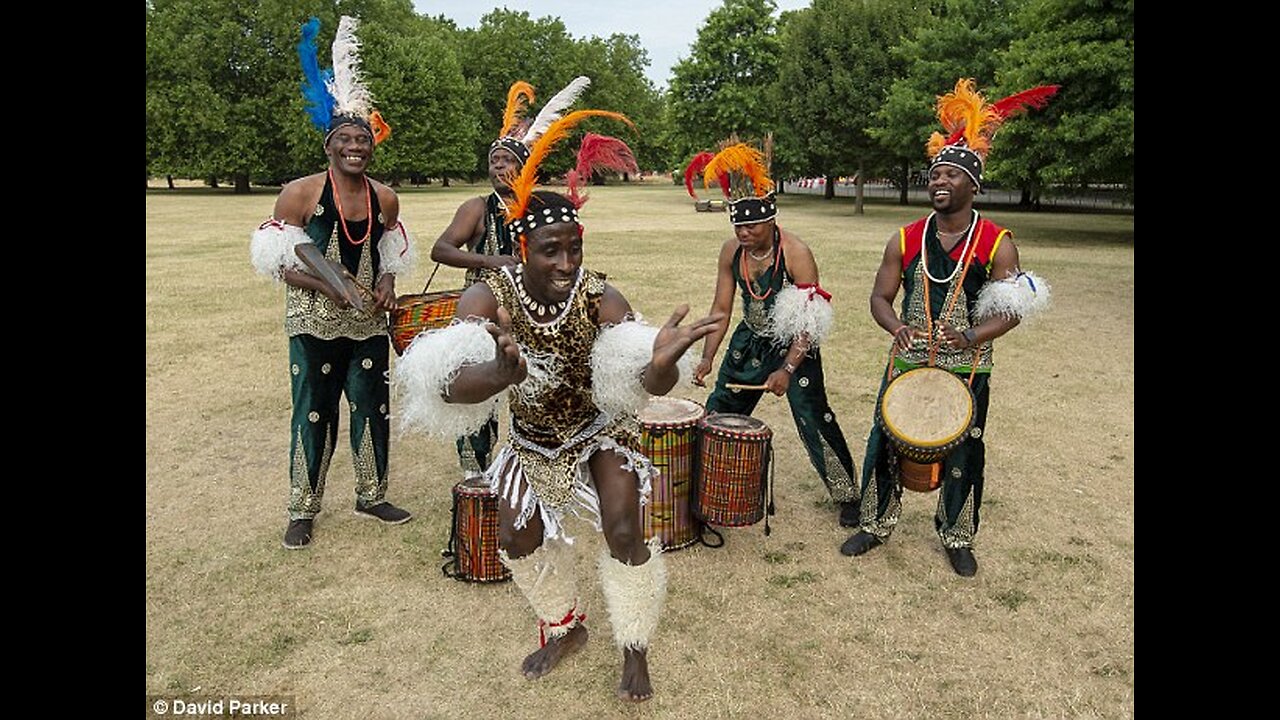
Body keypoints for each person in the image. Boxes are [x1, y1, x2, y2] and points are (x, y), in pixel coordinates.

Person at [396, 113, 720, 702]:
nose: (567, 265)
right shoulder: (488, 295)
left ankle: (635, 645)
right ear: (523, 249)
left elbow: (642, 380)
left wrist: (664, 360)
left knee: (624, 531)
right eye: (551, 251)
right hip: (532, 441)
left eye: (575, 248)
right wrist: (498, 373)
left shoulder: (601, 296)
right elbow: (443, 386)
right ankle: (565, 628)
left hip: (601, 431)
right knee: (517, 541)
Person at [840, 79, 1055, 576]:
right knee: (884, 439)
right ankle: (874, 523)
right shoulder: (906, 237)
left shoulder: (997, 243)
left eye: (950, 174)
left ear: (972, 185)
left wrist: (972, 336)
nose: (938, 180)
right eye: (934, 173)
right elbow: (879, 296)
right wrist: (895, 326)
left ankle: (958, 535)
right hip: (908, 358)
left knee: (966, 449)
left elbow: (1013, 310)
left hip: (969, 365)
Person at [249, 17, 415, 549]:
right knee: (313, 412)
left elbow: (389, 250)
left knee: (373, 409)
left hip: (365, 324)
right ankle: (302, 508)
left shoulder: (384, 197)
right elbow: (278, 259)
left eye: (362, 140)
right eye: (345, 139)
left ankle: (372, 495)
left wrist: (385, 282)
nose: (355, 148)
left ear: (372, 146)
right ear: (328, 145)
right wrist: (326, 286)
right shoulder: (298, 194)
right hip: (313, 324)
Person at [686, 140, 861, 528]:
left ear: (771, 221)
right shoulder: (731, 251)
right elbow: (720, 309)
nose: (744, 232)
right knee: (718, 413)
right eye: (738, 224)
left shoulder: (796, 252)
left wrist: (787, 367)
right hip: (748, 341)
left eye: (752, 225)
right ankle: (705, 492)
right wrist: (707, 357)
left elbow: (808, 322)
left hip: (795, 343)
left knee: (814, 418)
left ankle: (848, 494)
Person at [428, 79, 583, 482]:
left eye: (506, 160)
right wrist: (491, 259)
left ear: (524, 165)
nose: (498, 166)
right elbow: (441, 250)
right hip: (482, 314)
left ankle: (527, 476)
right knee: (478, 398)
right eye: (493, 160)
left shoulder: (540, 208)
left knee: (531, 391)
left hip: (533, 317)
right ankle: (475, 481)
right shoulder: (477, 207)